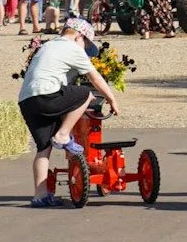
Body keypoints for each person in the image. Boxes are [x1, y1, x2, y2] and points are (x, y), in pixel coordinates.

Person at [17, 15, 121, 207]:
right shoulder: (73, 48)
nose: (85, 50)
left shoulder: (48, 46)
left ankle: (40, 195)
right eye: (85, 45)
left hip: (27, 100)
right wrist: (111, 99)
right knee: (85, 94)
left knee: (43, 148)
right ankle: (63, 134)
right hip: (47, 94)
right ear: (79, 36)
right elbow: (95, 78)